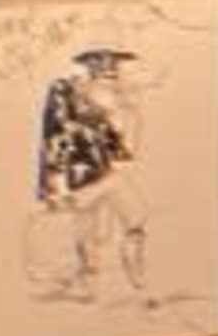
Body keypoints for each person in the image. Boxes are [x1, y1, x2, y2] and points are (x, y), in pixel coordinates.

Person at [28, 46, 149, 299]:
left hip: (105, 175)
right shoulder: (64, 93)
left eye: (112, 68)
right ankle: (89, 282)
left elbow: (121, 152)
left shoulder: (113, 104)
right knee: (88, 229)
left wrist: (123, 118)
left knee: (134, 218)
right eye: (104, 69)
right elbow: (54, 139)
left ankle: (135, 278)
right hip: (79, 178)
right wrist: (56, 184)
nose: (111, 73)